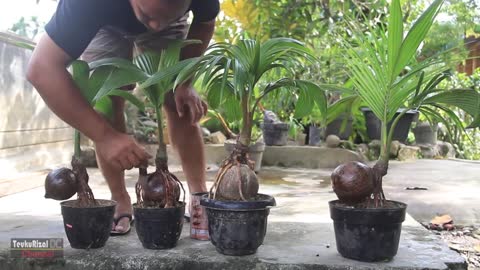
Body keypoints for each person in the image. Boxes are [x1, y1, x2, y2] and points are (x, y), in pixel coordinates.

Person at [27, 0, 219, 235]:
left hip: (169, 23)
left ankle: (199, 196)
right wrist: (105, 136)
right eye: (148, 16)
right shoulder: (85, 5)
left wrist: (184, 83)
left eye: (164, 17)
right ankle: (119, 199)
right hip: (103, 24)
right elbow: (41, 68)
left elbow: (205, 22)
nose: (156, 26)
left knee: (177, 100)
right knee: (104, 103)